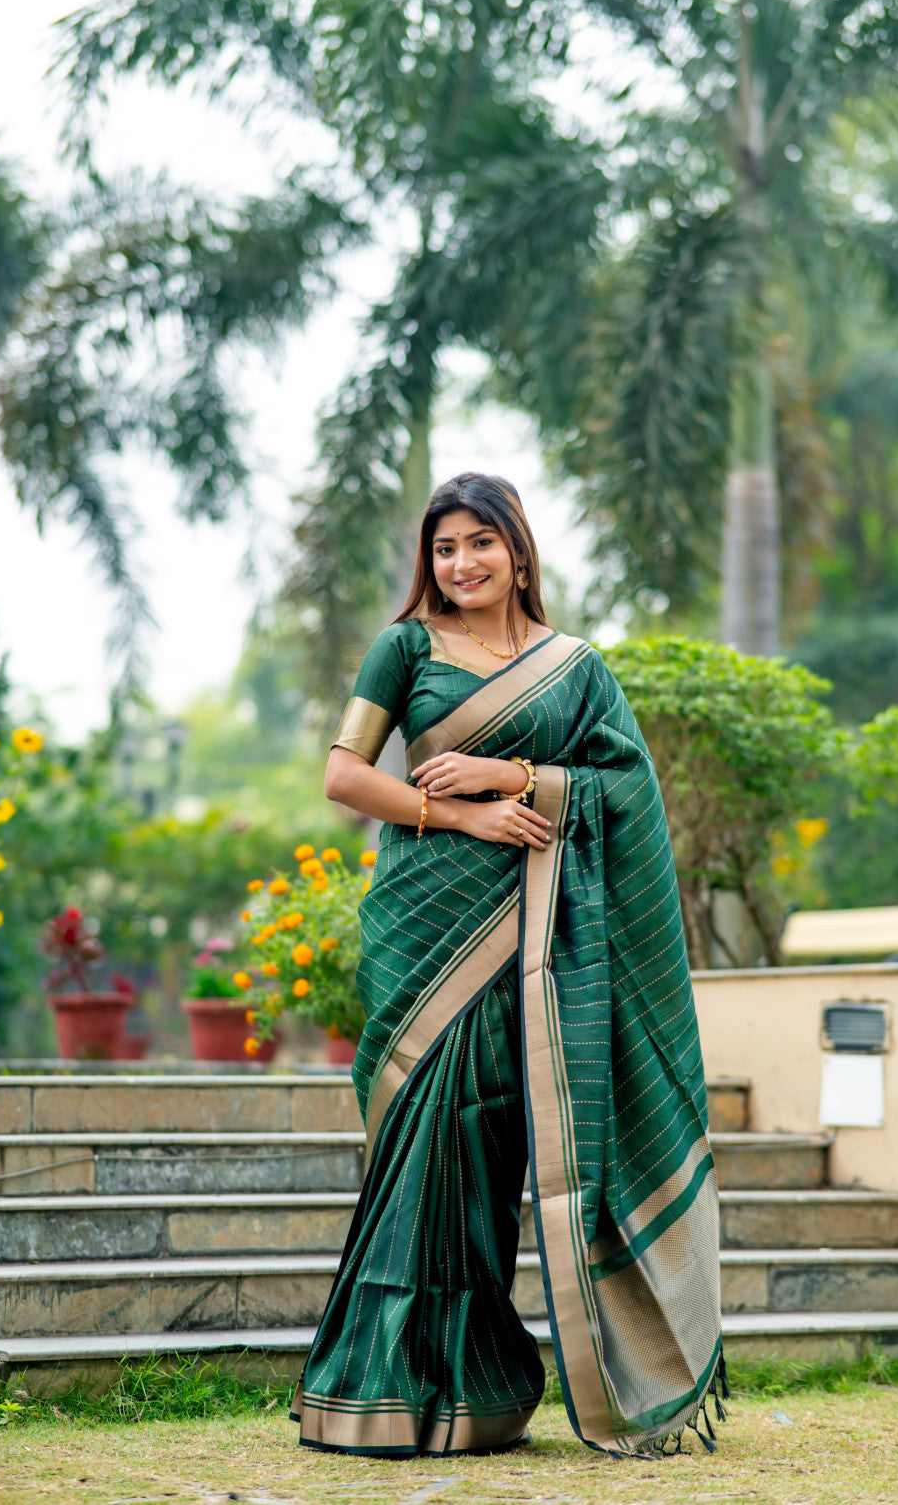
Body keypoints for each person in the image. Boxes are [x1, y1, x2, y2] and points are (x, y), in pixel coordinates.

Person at [289, 471, 724, 1458]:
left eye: (480, 543)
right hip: (422, 928)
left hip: (531, 943)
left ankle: (473, 1386)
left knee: (485, 1152)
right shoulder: (405, 648)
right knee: (416, 1148)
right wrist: (460, 811)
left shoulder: (575, 670)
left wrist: (515, 774)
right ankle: (380, 1383)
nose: (462, 563)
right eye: (444, 549)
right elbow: (344, 775)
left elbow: (626, 792)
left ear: (518, 550)